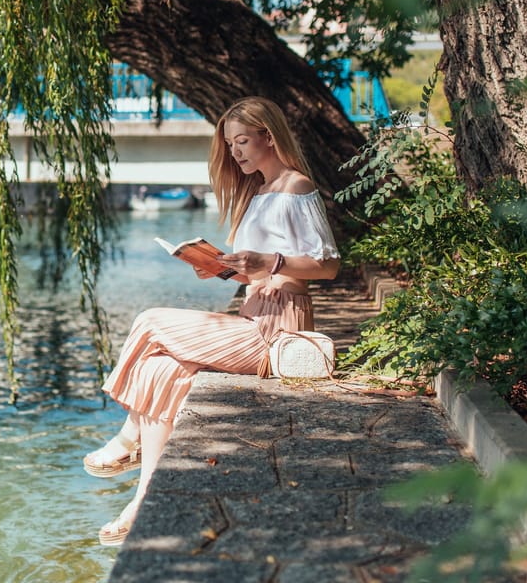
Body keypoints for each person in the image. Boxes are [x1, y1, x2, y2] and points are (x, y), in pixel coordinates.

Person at [83, 96, 341, 547]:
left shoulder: (296, 187)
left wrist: (271, 260)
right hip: (250, 312)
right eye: (230, 144)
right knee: (157, 368)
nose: (236, 152)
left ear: (268, 135)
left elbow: (329, 265)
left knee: (149, 320)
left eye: (243, 141)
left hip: (279, 325)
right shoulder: (257, 193)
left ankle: (128, 436)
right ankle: (144, 497)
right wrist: (224, 269)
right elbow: (255, 269)